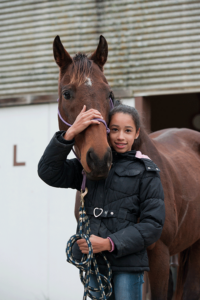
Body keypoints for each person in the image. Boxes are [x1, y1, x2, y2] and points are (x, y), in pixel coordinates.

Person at [38, 104, 165, 300]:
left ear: (137, 133)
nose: (120, 137)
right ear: (106, 130)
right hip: (94, 263)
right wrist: (70, 133)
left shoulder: (146, 172)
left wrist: (108, 243)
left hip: (128, 264)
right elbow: (48, 172)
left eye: (127, 130)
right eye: (114, 130)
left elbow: (153, 225)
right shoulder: (89, 167)